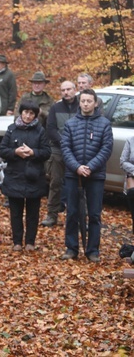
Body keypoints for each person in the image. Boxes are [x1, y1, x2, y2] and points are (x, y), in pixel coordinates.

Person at [60, 89, 113, 263]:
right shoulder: (70, 123)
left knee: (95, 214)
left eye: (89, 101)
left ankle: (92, 250)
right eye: (83, 101)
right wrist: (77, 167)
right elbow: (65, 148)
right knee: (73, 212)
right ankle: (72, 248)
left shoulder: (104, 124)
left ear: (95, 103)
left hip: (95, 175)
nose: (85, 104)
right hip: (73, 174)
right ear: (79, 102)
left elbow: (106, 149)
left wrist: (90, 167)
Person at [0, 102, 51, 251]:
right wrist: (15, 152)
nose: (28, 116)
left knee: (32, 213)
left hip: (34, 176)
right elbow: (2, 150)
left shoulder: (40, 131)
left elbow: (47, 152)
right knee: (15, 212)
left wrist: (33, 152)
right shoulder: (12, 129)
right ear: (21, 113)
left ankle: (30, 242)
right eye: (25, 112)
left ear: (35, 115)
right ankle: (17, 241)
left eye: (31, 114)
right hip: (15, 175)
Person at [42, 81, 78, 227]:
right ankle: (52, 215)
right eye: (63, 90)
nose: (66, 92)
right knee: (55, 183)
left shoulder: (81, 107)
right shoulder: (55, 108)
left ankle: (78, 216)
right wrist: (63, 142)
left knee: (77, 185)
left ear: (74, 90)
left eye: (69, 89)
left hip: (77, 150)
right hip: (58, 149)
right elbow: (50, 129)